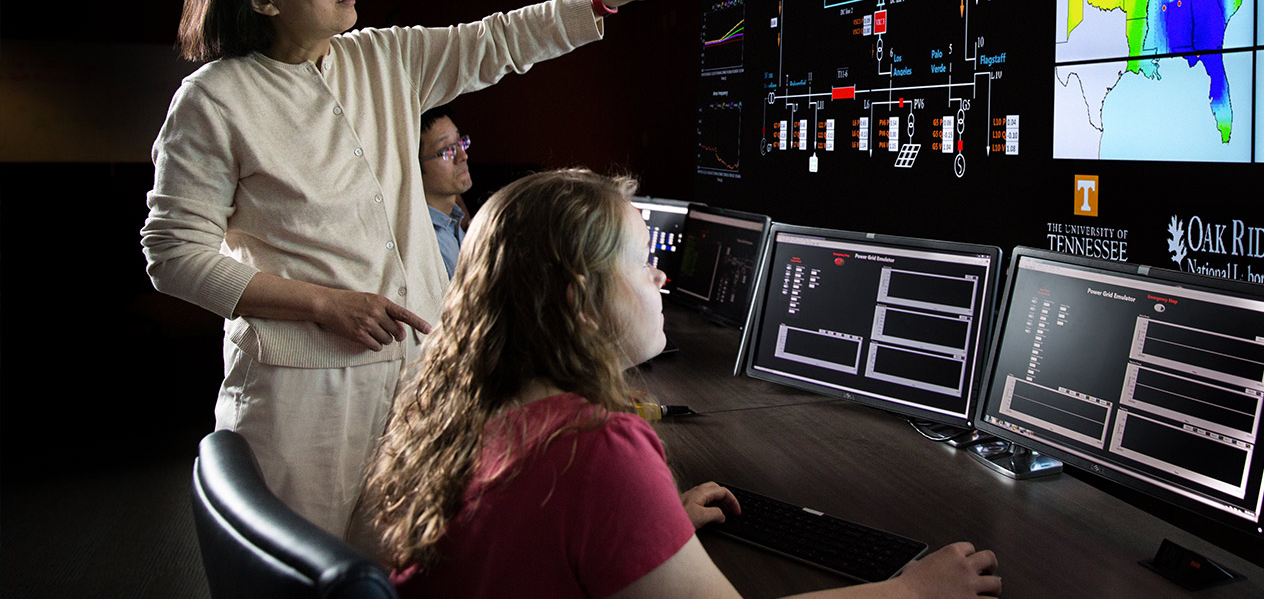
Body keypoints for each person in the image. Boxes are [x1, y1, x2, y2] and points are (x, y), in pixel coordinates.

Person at [139, 0, 694, 549]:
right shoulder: (212, 101)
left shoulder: (382, 58)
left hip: (419, 383)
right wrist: (322, 304)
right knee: (313, 581)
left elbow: (498, 40)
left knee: (418, 566)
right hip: (302, 403)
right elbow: (173, 257)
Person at [363, 169, 1003, 598]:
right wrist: (910, 590)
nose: (660, 278)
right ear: (580, 302)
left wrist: (650, 525)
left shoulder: (465, 408)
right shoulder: (593, 450)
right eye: (643, 262)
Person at [417, 106, 472, 278]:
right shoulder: (424, 242)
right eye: (447, 150)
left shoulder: (454, 222)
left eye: (460, 142)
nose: (462, 156)